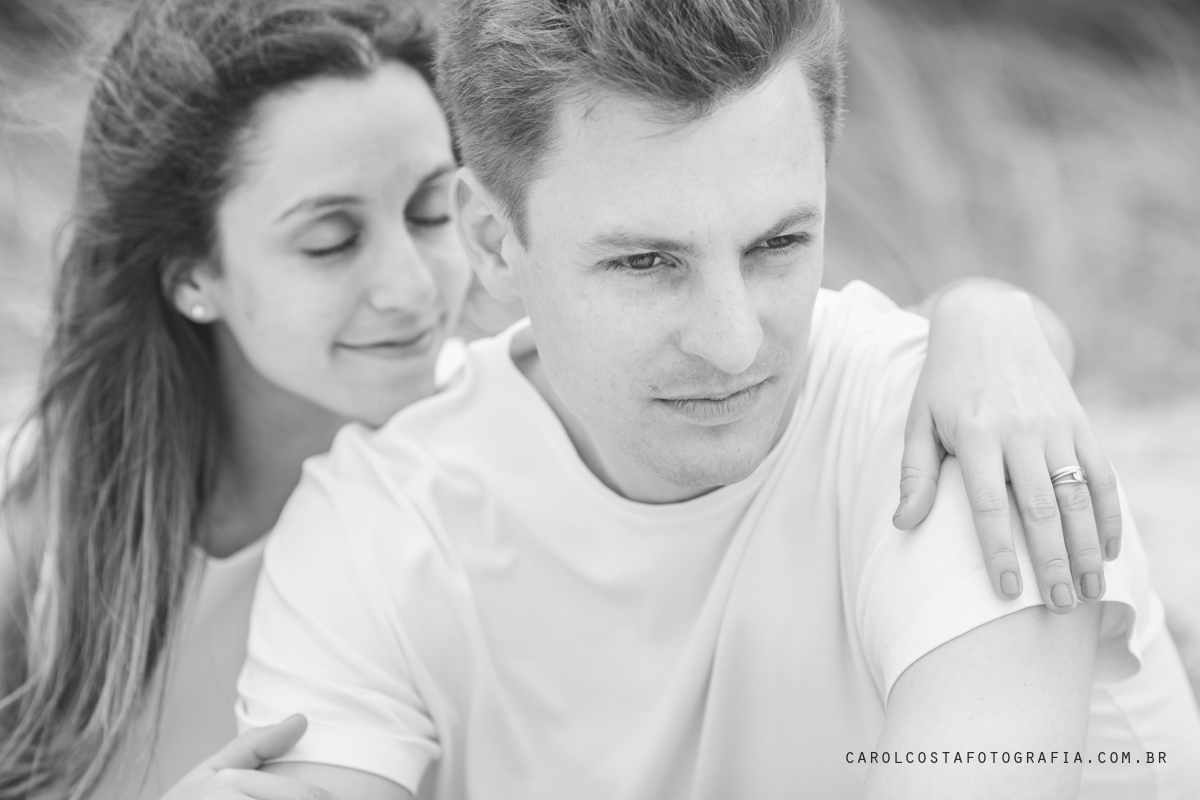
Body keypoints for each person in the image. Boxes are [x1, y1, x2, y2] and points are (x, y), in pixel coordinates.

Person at [0, 0, 1133, 798]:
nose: (409, 285)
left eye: (429, 214)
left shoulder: (919, 429)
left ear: (477, 226)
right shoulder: (60, 543)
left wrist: (991, 314)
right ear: (190, 274)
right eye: (330, 236)